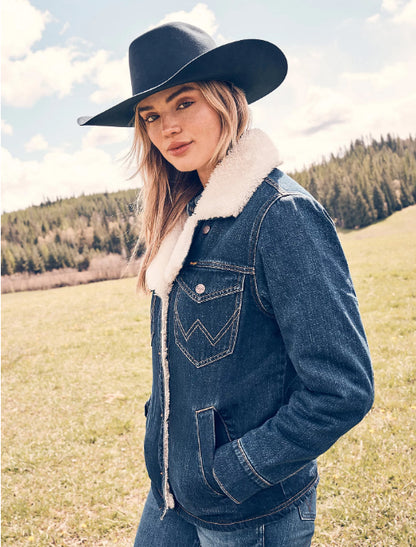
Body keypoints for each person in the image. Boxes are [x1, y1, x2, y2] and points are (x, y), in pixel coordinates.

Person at [78, 22, 374, 547]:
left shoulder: (281, 216)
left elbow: (342, 389)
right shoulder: (184, 219)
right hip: (170, 493)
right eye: (151, 116)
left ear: (225, 101)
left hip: (246, 512)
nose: (168, 127)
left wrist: (233, 472)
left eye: (184, 102)